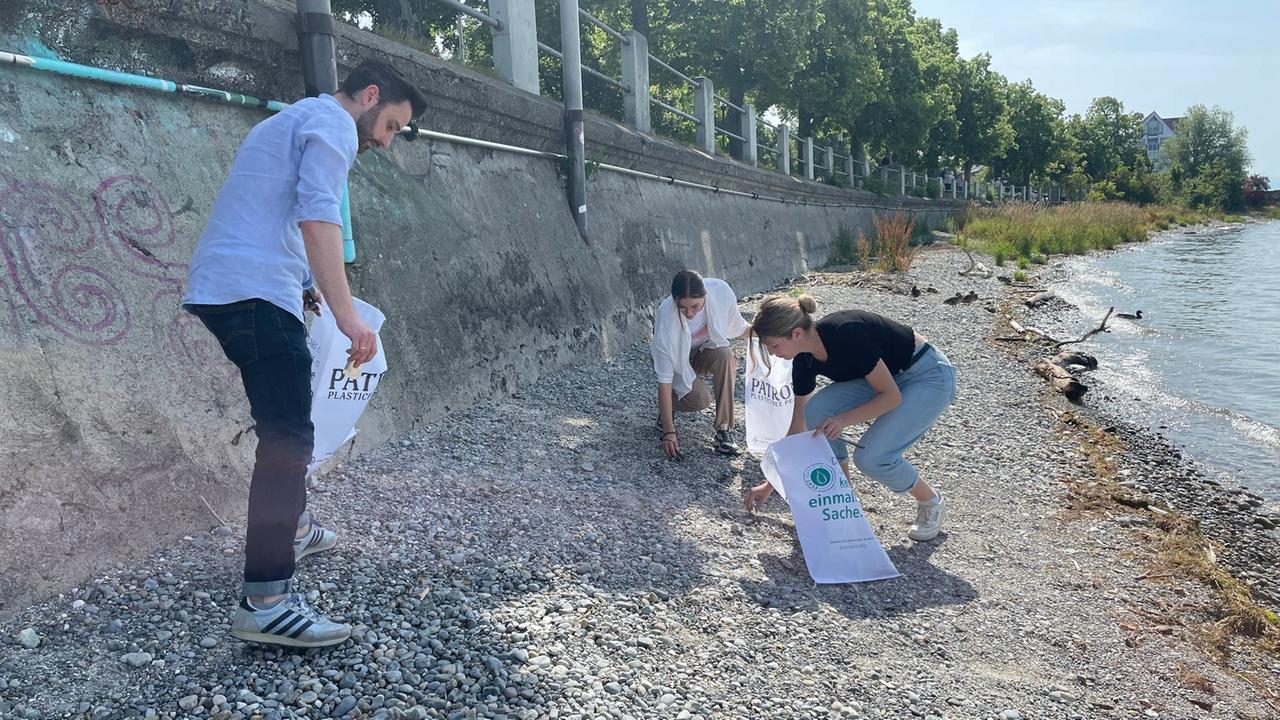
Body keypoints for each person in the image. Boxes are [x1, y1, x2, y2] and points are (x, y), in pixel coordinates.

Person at [182, 60, 427, 647]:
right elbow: (319, 216)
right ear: (370, 96)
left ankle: (292, 524)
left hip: (233, 287)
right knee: (288, 439)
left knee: (286, 427)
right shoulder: (334, 123)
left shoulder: (289, 120)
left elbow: (277, 217)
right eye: (391, 125)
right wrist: (347, 319)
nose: (385, 140)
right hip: (254, 293)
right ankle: (266, 600)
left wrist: (310, 288)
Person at [743, 294, 956, 541]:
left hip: (928, 374)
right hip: (889, 376)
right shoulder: (803, 360)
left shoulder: (846, 333)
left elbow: (891, 398)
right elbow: (797, 427)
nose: (772, 353)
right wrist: (771, 483)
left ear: (796, 334)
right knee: (816, 409)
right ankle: (845, 495)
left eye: (774, 346)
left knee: (871, 457)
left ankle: (931, 502)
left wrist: (843, 420)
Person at [652, 270, 751, 458]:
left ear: (705, 296)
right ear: (674, 301)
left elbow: (739, 328)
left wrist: (770, 333)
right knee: (700, 400)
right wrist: (669, 432)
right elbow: (664, 382)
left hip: (704, 353)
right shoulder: (666, 319)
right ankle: (667, 412)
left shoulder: (720, 292)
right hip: (676, 360)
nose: (689, 313)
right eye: (683, 308)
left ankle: (723, 430)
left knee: (725, 355)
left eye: (695, 307)